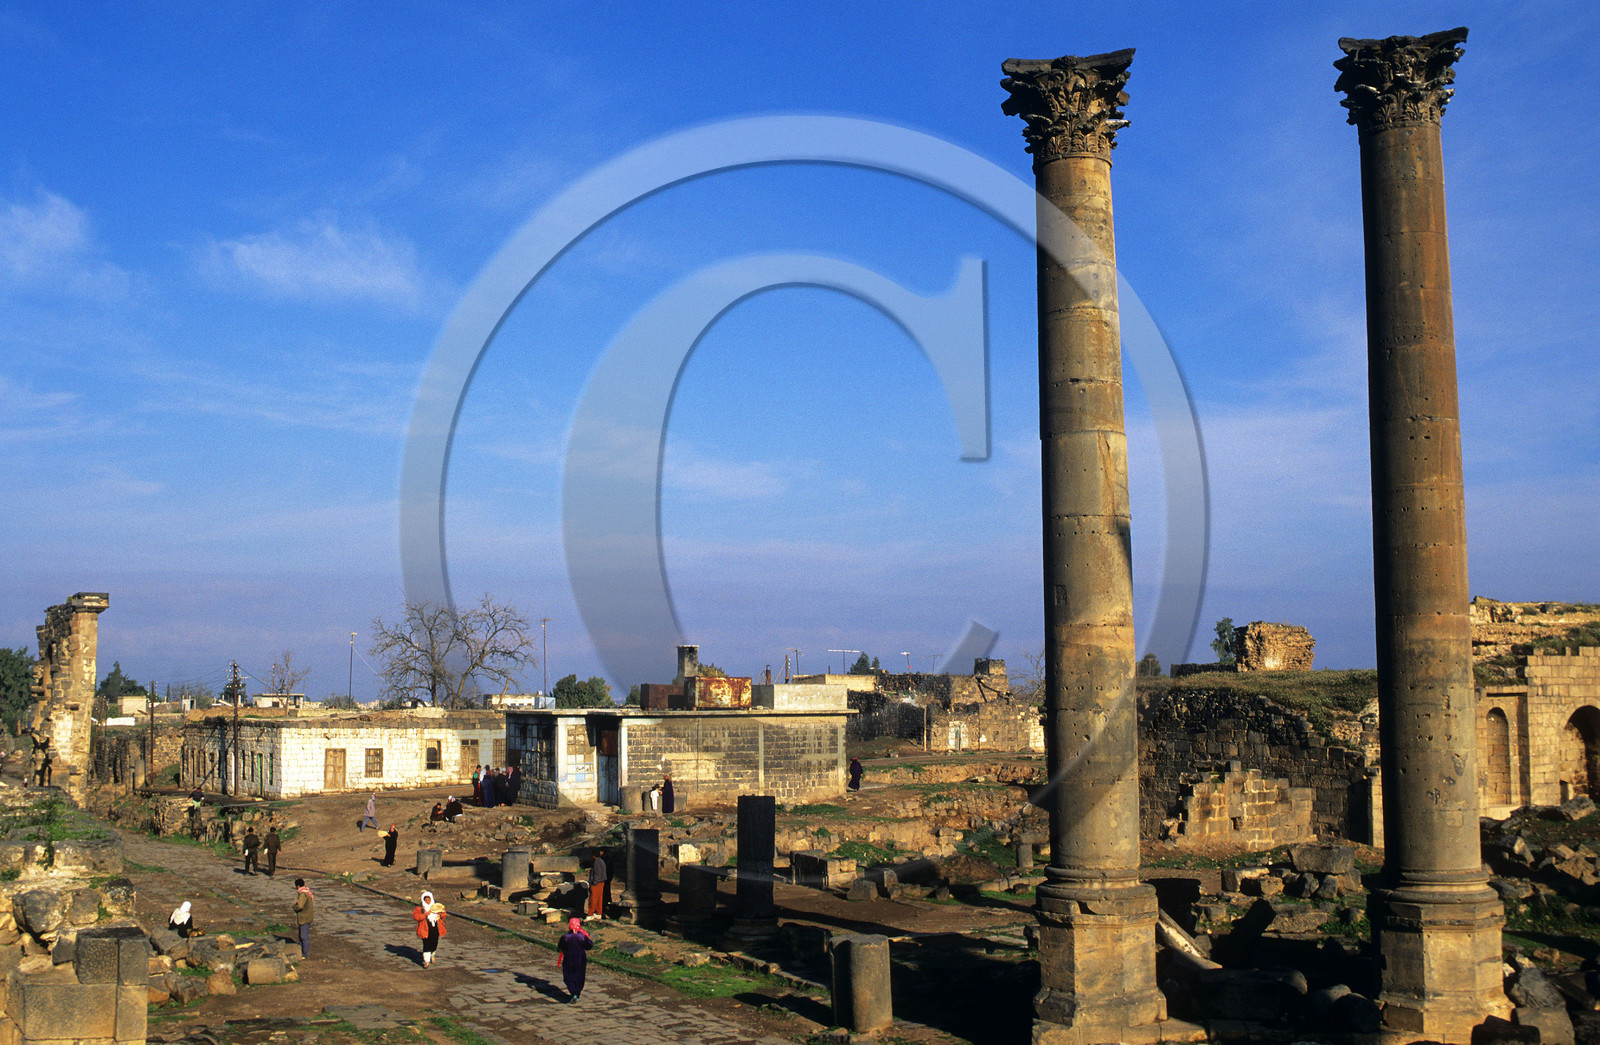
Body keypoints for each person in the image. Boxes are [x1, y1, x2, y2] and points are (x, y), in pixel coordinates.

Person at [556, 916, 592, 1002]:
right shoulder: (582, 936)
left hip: (569, 959)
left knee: (569, 976)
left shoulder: (566, 937)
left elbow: (560, 946)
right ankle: (577, 992)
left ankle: (573, 992)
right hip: (580, 959)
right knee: (579, 976)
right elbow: (590, 945)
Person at [412, 890, 447, 968]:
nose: (427, 901)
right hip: (424, 928)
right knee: (426, 943)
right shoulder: (420, 908)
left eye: (429, 900)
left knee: (434, 942)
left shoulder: (436, 906)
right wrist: (425, 915)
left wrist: (440, 914)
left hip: (435, 927)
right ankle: (426, 961)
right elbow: (416, 916)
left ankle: (432, 954)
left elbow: (444, 914)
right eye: (426, 900)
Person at [292, 878, 314, 958]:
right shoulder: (307, 892)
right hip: (307, 917)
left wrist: (295, 907)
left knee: (303, 937)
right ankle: (302, 953)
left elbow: (300, 906)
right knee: (302, 936)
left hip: (304, 918)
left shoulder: (303, 894)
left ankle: (304, 954)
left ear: (298, 886)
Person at [585, 850, 608, 920]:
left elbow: (597, 874)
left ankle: (590, 914)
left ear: (593, 855)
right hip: (601, 882)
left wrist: (594, 883)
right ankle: (598, 913)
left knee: (593, 899)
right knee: (599, 898)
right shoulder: (601, 861)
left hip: (597, 883)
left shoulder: (596, 862)